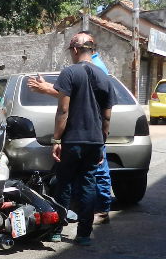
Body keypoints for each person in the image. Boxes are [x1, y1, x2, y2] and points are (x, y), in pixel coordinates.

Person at [28, 36, 114, 225]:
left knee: (64, 184)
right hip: (94, 141)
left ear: (75, 50)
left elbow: (63, 110)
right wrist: (101, 143)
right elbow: (107, 117)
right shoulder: (104, 77)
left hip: (72, 140)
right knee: (88, 185)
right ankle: (84, 234)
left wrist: (57, 140)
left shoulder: (69, 73)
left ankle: (57, 231)